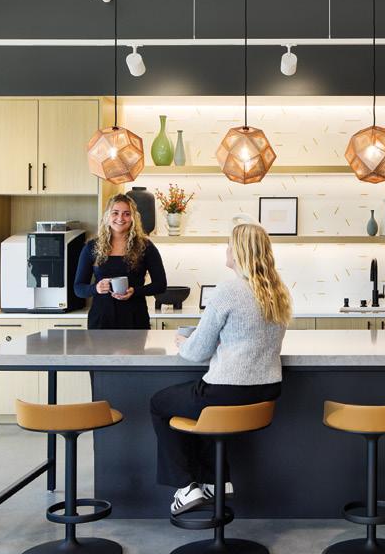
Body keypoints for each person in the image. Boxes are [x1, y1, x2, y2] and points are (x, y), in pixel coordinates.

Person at [150, 222, 291, 515]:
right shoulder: (277, 291)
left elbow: (197, 351)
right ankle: (215, 482)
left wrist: (182, 342)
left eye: (229, 245)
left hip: (227, 392)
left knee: (160, 403)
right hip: (267, 391)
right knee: (203, 410)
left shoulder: (228, 290)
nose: (226, 249)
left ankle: (186, 488)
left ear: (238, 252)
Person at [74, 193, 167, 330]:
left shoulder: (146, 247)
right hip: (101, 321)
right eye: (115, 213)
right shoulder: (92, 247)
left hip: (135, 320)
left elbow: (160, 285)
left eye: (126, 214)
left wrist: (135, 291)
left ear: (133, 218)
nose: (120, 218)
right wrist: (96, 288)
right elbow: (78, 288)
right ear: (107, 216)